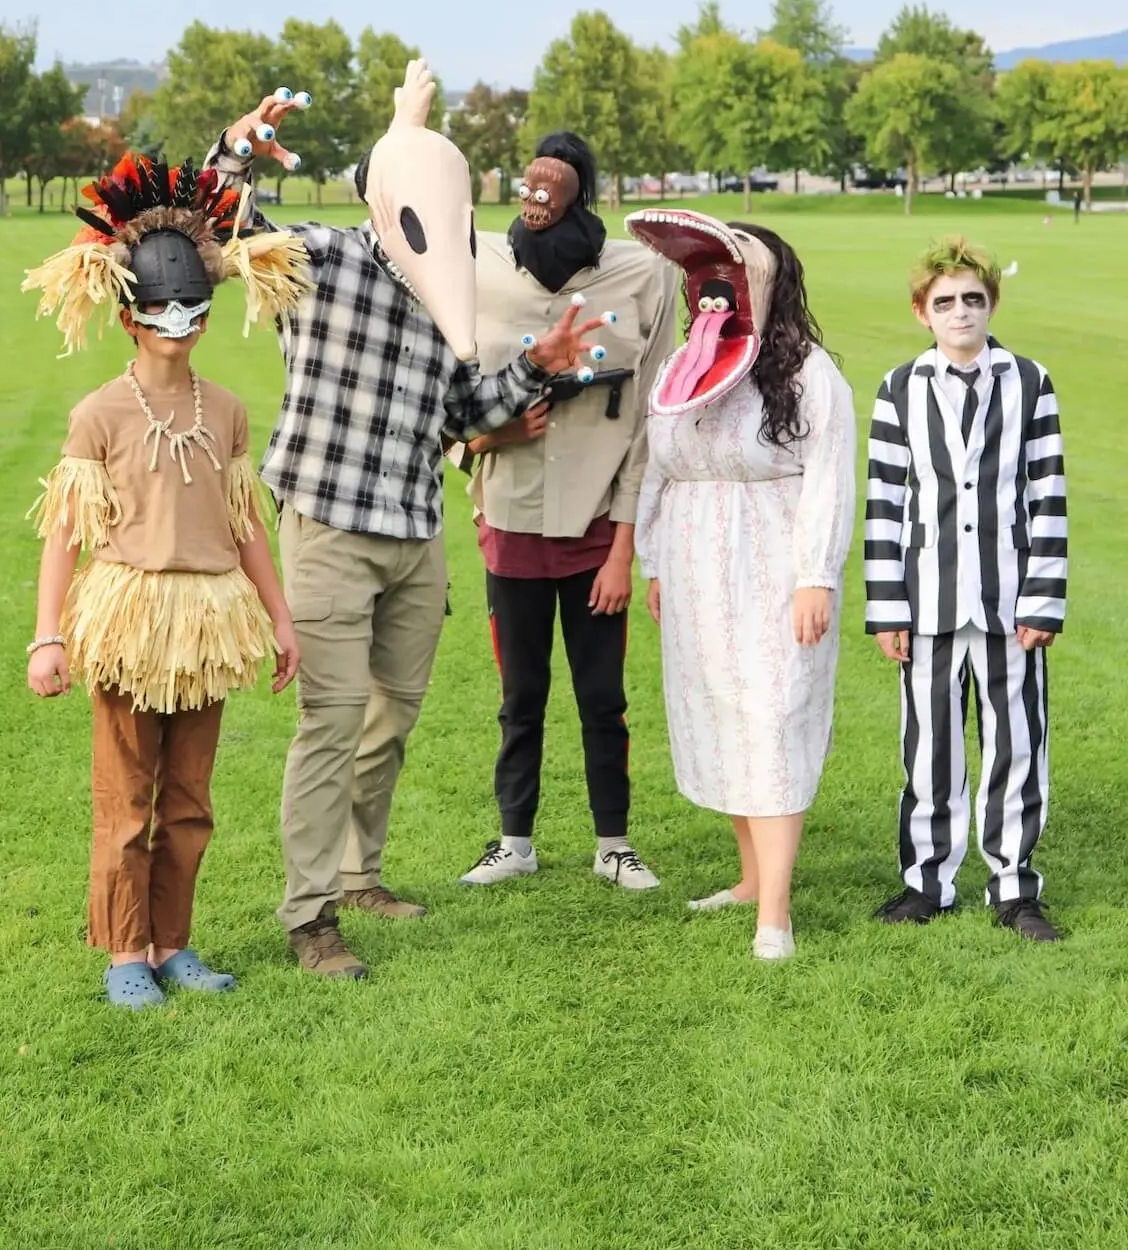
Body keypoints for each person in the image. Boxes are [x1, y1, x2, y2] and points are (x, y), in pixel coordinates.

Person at [207, 63, 606, 980]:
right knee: (332, 721)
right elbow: (224, 232)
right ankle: (310, 920)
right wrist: (236, 151)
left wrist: (537, 364)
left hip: (415, 533)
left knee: (392, 718)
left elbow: (467, 412)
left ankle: (358, 874)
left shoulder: (448, 294)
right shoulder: (323, 257)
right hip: (330, 527)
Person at [22, 154, 306, 1008]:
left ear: (209, 320)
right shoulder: (99, 414)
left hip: (207, 619)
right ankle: (124, 953)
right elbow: (64, 534)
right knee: (125, 799)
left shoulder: (224, 410)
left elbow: (246, 523)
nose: (177, 322)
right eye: (160, 311)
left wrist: (281, 619)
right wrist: (48, 634)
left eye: (192, 309)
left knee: (188, 800)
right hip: (128, 617)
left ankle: (174, 942)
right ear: (128, 319)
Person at [452, 133, 677, 891]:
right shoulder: (475, 263)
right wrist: (486, 438)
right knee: (520, 696)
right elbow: (438, 391)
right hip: (508, 518)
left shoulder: (642, 272)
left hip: (595, 532)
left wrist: (623, 550)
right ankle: (514, 840)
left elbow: (648, 418)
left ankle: (613, 843)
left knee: (602, 698)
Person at [628, 211, 855, 961]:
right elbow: (657, 470)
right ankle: (750, 878)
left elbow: (827, 480)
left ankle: (777, 915)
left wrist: (815, 578)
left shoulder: (807, 372)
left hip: (774, 562)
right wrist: (655, 562)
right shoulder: (682, 366)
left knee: (774, 718)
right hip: (697, 565)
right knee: (722, 714)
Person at [865, 237, 1067, 940]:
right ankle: (928, 882)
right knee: (930, 750)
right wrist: (887, 607)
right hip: (926, 603)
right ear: (923, 311)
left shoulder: (1030, 382)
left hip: (1010, 602)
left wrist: (1042, 597)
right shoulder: (899, 390)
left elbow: (1048, 494)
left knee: (1016, 746)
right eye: (945, 302)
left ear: (991, 305)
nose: (961, 313)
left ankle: (1013, 886)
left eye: (973, 300)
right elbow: (885, 504)